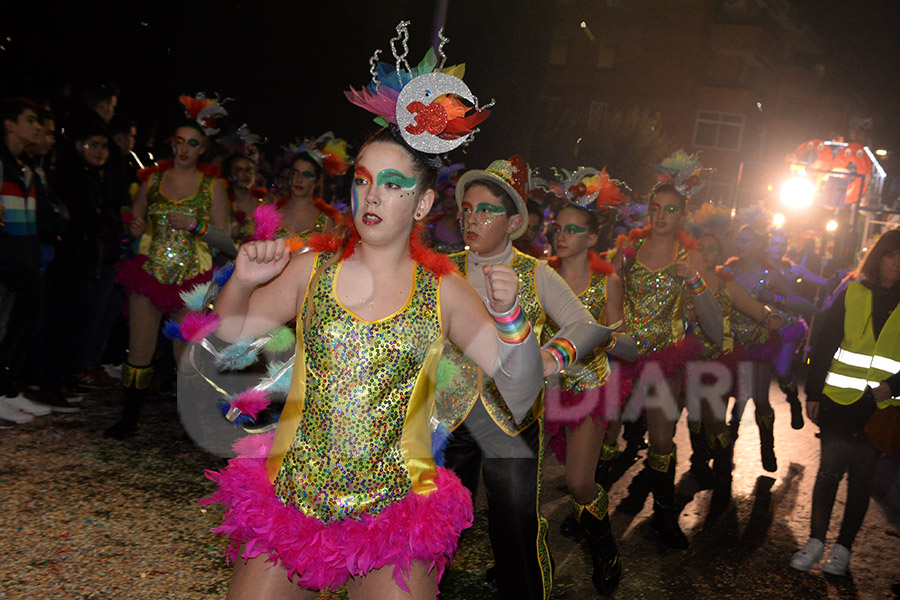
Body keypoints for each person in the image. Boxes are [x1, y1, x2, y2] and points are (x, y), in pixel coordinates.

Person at [202, 25, 538, 597]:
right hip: (293, 494)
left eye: (391, 184)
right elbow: (226, 336)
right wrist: (243, 280)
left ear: (424, 201)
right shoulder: (312, 269)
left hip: (396, 510)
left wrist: (511, 319)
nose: (372, 197)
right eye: (362, 181)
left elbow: (521, 386)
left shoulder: (445, 290)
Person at [436, 155, 611, 599]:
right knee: (432, 523)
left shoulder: (536, 273)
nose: (471, 218)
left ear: (514, 221)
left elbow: (588, 326)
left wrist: (551, 358)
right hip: (446, 420)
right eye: (467, 209)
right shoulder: (441, 268)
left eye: (485, 210)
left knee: (514, 526)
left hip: (509, 421)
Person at [107, 108, 233, 438]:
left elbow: (226, 240)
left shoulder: (212, 186)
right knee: (139, 350)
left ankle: (195, 423)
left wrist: (196, 225)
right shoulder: (152, 181)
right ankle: (129, 417)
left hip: (193, 280)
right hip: (149, 275)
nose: (184, 149)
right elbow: (134, 226)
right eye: (179, 141)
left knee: (186, 356)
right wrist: (133, 228)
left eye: (192, 143)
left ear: (202, 147)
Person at [611, 180, 723, 549]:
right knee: (604, 438)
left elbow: (714, 325)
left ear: (683, 215)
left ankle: (662, 514)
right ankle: (589, 512)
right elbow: (607, 300)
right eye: (655, 207)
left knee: (661, 440)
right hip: (623, 355)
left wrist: (693, 280)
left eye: (670, 209)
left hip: (664, 358)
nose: (661, 215)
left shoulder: (687, 258)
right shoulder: (627, 251)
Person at [542, 168, 637, 596]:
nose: (561, 236)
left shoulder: (607, 282)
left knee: (580, 482)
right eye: (557, 228)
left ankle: (604, 549)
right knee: (519, 484)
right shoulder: (541, 274)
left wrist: (604, 335)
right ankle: (524, 559)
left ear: (592, 238)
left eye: (572, 230)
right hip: (540, 391)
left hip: (588, 391)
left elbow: (629, 348)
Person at [790, 228, 900, 576]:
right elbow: (824, 344)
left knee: (861, 482)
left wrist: (894, 385)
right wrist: (813, 392)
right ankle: (816, 541)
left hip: (881, 410)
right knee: (828, 474)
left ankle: (843, 550)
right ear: (878, 257)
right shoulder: (853, 290)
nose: (896, 262)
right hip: (840, 401)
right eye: (890, 254)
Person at [726, 224, 816, 471]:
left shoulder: (770, 275)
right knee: (734, 397)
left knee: (761, 400)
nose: (740, 245)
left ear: (757, 245)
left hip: (759, 344)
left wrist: (775, 299)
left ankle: (768, 446)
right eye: (738, 240)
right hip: (732, 344)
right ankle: (725, 447)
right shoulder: (728, 270)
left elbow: (806, 304)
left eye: (746, 241)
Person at [222, 153, 270, 243]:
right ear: (230, 176)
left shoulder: (266, 202)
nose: (245, 174)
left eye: (248, 170)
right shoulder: (224, 204)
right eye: (239, 170)